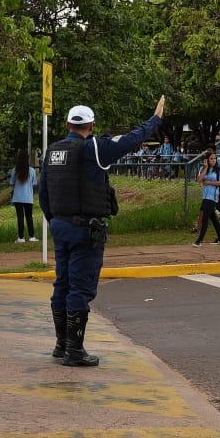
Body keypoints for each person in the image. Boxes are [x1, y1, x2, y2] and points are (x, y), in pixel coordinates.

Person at [41, 97, 165, 367]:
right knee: (80, 288)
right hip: (85, 230)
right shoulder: (94, 148)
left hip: (60, 227)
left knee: (62, 284)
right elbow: (131, 140)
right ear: (92, 125)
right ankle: (74, 351)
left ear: (67, 125)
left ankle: (62, 345)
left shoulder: (53, 151)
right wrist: (155, 120)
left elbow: (44, 192)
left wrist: (54, 220)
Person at [192, 146, 220, 246]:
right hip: (205, 196)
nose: (214, 160)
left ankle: (199, 240)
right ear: (207, 159)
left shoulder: (219, 170)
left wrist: (209, 182)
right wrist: (206, 168)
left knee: (205, 218)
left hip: (212, 197)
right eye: (211, 158)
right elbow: (199, 180)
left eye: (215, 158)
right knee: (213, 218)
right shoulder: (203, 169)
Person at [11, 149, 38, 243]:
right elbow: (34, 184)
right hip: (28, 197)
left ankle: (21, 238)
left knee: (20, 217)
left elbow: (12, 182)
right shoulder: (32, 171)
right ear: (28, 158)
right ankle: (31, 236)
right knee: (29, 217)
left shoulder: (15, 170)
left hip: (17, 197)